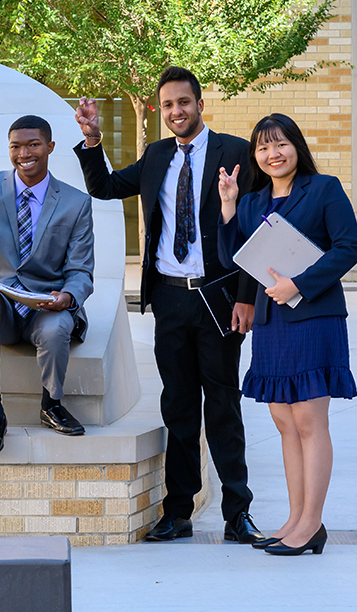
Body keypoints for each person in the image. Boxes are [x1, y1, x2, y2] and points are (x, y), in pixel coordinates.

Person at [72, 66, 265, 544]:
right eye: (168, 105)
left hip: (219, 297)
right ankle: (177, 512)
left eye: (184, 102)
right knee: (178, 405)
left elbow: (253, 231)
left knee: (223, 405)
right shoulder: (157, 154)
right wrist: (93, 140)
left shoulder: (235, 153)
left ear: (200, 104)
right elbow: (104, 187)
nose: (176, 111)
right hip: (170, 298)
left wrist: (247, 297)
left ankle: (237, 513)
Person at [215, 113, 357, 556]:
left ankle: (311, 524)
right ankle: (296, 519)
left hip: (314, 316)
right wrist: (228, 207)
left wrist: (298, 283)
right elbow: (234, 258)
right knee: (285, 423)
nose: (272, 154)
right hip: (272, 321)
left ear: (296, 146)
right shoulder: (252, 202)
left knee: (309, 421)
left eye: (280, 144)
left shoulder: (324, 189)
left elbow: (349, 247)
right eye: (263, 147)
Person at [0, 116, 94, 453]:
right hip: (0, 308)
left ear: (49, 147)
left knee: (57, 328)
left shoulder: (75, 203)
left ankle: (51, 405)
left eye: (33, 144)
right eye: (16, 146)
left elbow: (81, 270)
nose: (24, 153)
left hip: (45, 306)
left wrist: (68, 296)